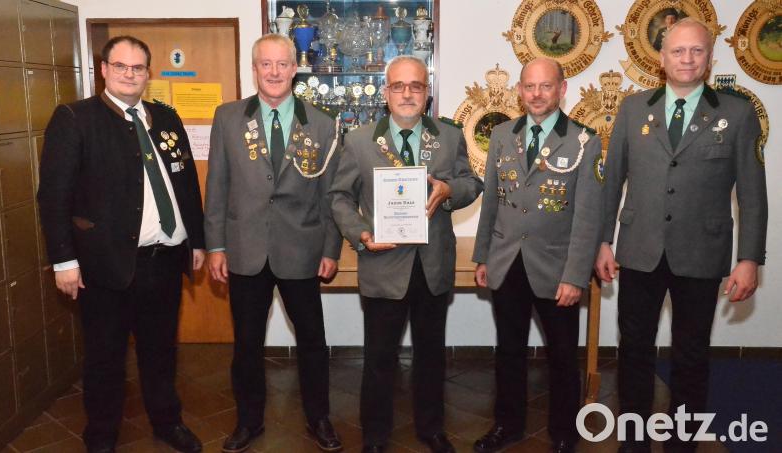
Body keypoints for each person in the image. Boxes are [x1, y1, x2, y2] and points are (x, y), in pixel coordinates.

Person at [596, 18, 767, 452]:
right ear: (661, 58)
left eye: (696, 51)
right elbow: (612, 180)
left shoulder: (737, 112)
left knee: (691, 356)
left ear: (710, 58)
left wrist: (749, 258)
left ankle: (682, 444)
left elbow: (752, 193)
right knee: (633, 351)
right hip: (639, 251)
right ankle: (633, 441)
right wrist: (603, 241)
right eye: (678, 51)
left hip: (702, 253)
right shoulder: (634, 109)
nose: (687, 59)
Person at [37, 36, 206, 453]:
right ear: (104, 69)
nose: (130, 74)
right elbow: (53, 196)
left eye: (138, 68)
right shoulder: (75, 118)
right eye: (121, 66)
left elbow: (185, 184)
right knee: (105, 359)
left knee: (161, 353)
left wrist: (197, 241)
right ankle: (101, 436)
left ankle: (168, 423)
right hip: (105, 264)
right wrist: (63, 261)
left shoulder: (165, 117)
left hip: (164, 260)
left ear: (148, 73)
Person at [329, 55, 483, 453]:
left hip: (432, 264)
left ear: (427, 93)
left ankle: (431, 429)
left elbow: (471, 183)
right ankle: (375, 436)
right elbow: (340, 197)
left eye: (416, 86)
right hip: (382, 263)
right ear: (385, 93)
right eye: (398, 86)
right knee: (380, 358)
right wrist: (361, 233)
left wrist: (450, 192)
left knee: (431, 356)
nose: (407, 93)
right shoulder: (360, 140)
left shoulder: (448, 137)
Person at [204, 33, 343, 453]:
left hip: (302, 250)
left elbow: (331, 195)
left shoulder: (322, 123)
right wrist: (215, 246)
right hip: (245, 250)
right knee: (246, 344)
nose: (275, 72)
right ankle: (248, 422)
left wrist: (331, 249)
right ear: (255, 69)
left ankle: (319, 419)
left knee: (313, 343)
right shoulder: (228, 117)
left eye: (282, 64)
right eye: (266, 64)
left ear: (294, 67)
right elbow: (217, 186)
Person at [472, 58, 603, 453]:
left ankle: (564, 431)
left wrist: (576, 275)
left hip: (557, 268)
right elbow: (492, 202)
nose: (537, 94)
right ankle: (507, 426)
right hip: (507, 262)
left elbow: (587, 217)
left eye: (546, 86)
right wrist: (483, 257)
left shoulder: (584, 140)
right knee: (508, 351)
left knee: (562, 355)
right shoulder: (501, 135)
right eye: (529, 86)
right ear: (519, 90)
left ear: (562, 90)